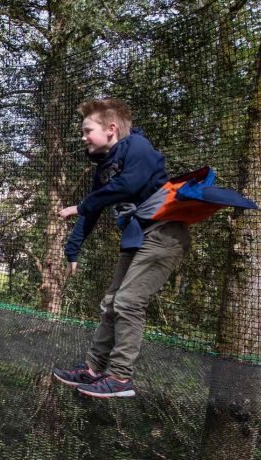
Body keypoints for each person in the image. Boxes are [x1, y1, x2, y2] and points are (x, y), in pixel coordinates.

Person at [52, 99, 191, 398]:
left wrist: (81, 206)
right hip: (136, 238)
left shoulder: (138, 147)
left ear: (111, 129)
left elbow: (127, 186)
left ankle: (120, 378)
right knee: (111, 303)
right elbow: (95, 206)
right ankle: (93, 369)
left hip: (164, 235)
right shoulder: (104, 168)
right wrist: (72, 249)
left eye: (88, 130)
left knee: (128, 302)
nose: (83, 137)